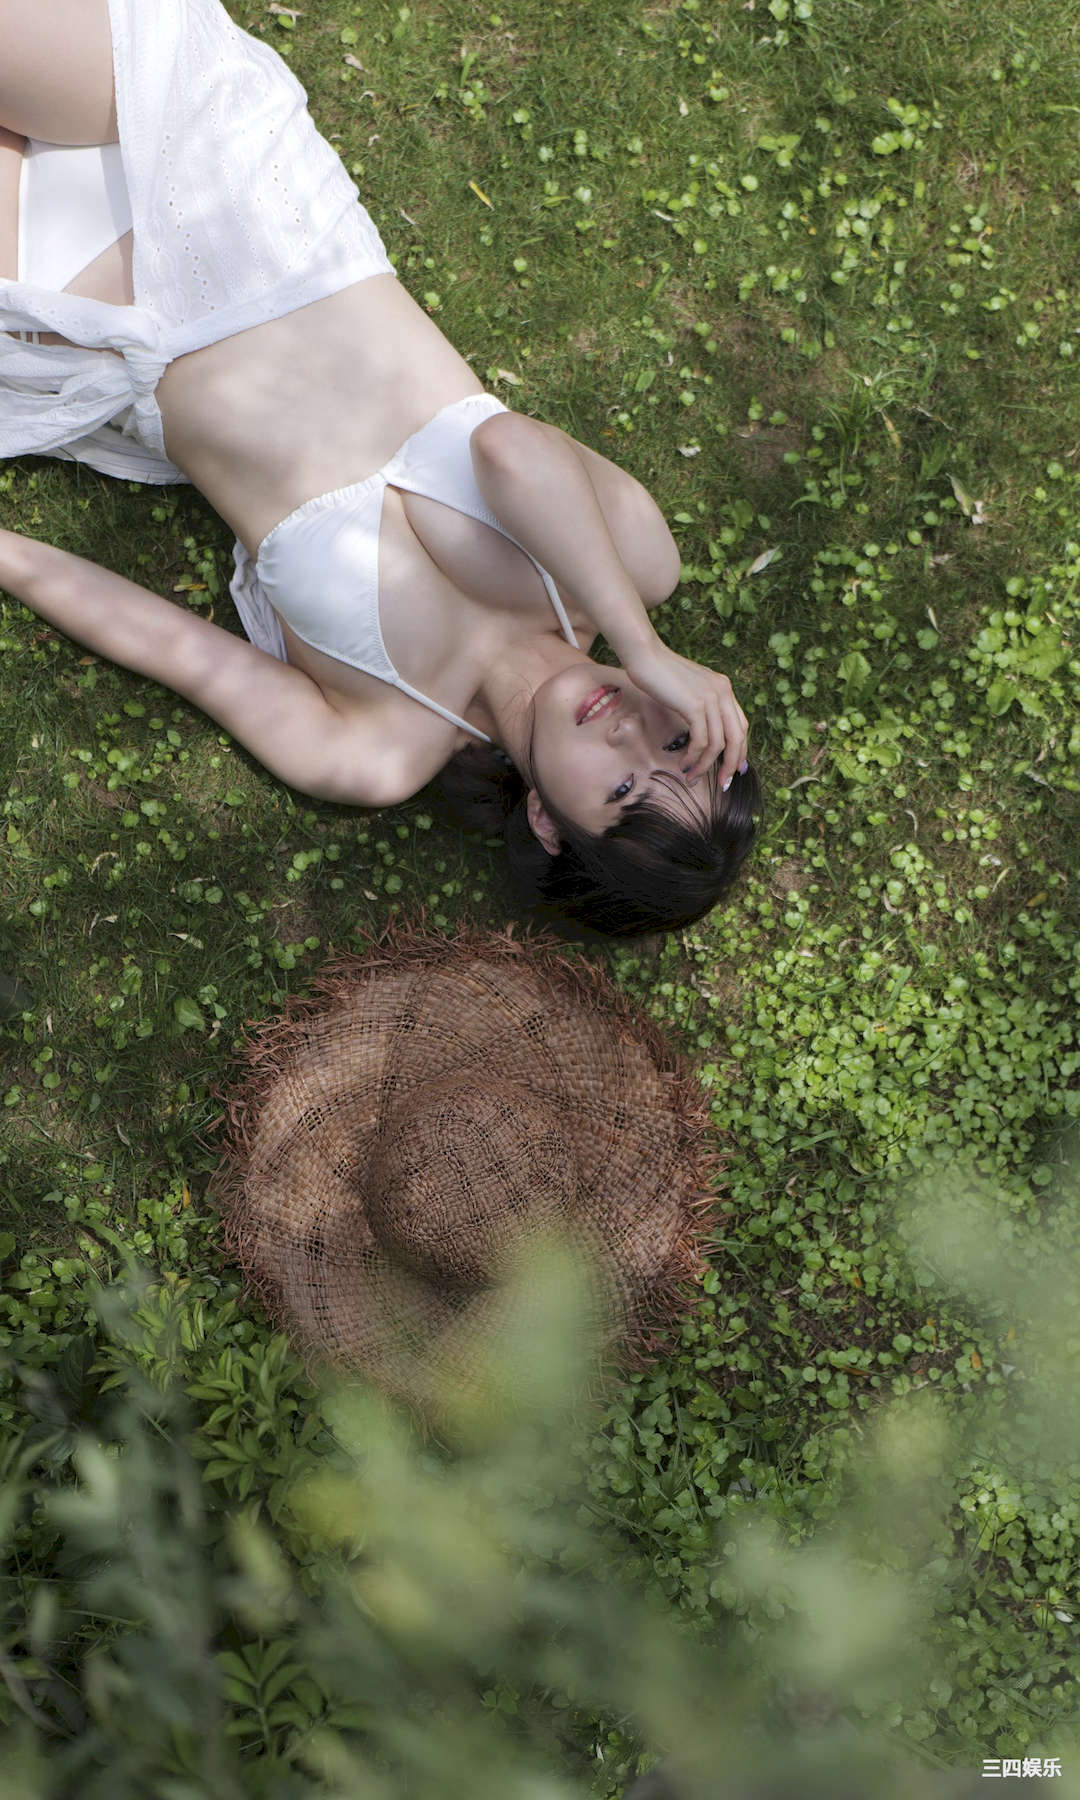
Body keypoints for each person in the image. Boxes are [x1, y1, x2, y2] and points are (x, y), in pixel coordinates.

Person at [0, 0, 759, 937]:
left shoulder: (377, 751)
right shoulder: (633, 562)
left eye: (621, 789)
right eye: (673, 740)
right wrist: (639, 641)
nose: (626, 731)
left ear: (548, 825)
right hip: (227, 171)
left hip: (86, 310)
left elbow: (174, 648)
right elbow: (508, 448)